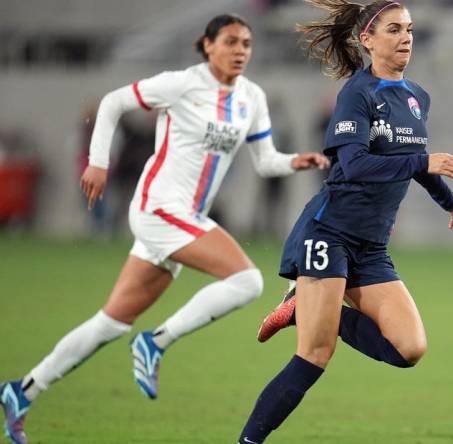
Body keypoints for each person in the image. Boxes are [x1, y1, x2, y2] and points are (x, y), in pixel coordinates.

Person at [0, 13, 329, 444]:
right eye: (230, 42)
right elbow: (114, 102)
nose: (240, 51)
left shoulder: (251, 97)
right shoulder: (183, 84)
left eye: (246, 43)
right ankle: (156, 342)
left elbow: (264, 160)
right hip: (159, 208)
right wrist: (98, 161)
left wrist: (294, 161)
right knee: (247, 280)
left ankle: (22, 391)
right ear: (207, 45)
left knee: (110, 323)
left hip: (184, 218)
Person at [238, 1, 453, 442]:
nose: (406, 38)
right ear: (367, 39)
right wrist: (424, 160)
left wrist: (451, 202)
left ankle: (300, 312)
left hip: (372, 246)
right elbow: (356, 164)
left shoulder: (417, 97)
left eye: (409, 29)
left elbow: (413, 165)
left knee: (409, 349)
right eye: (393, 30)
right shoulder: (357, 93)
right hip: (330, 234)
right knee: (314, 357)